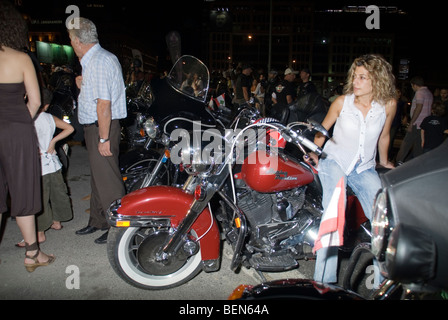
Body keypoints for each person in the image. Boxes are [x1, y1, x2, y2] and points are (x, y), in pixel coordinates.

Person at [309, 54, 396, 285]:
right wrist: (314, 152)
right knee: (333, 211)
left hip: (365, 167)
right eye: (355, 76)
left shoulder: (388, 105)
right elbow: (322, 131)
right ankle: (323, 281)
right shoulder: (342, 102)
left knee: (384, 216)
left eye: (362, 77)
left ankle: (382, 281)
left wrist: (385, 161)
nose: (355, 82)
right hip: (335, 160)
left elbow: (384, 136)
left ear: (376, 80)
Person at [0, 0, 55, 272]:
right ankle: (33, 254)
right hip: (16, 132)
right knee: (22, 190)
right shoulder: (21, 58)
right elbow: (35, 102)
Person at [68, 17, 126, 244]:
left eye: (71, 39)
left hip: (102, 127)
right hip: (96, 127)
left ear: (77, 40)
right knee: (98, 177)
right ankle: (98, 221)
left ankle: (119, 229)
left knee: (109, 180)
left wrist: (104, 138)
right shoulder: (93, 60)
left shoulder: (100, 61)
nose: (71, 43)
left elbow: (104, 104)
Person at [15, 88, 74, 247]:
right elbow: (70, 128)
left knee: (40, 198)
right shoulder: (49, 117)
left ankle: (40, 233)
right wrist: (53, 141)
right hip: (53, 164)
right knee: (57, 193)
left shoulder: (26, 119)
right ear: (47, 105)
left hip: (37, 167)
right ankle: (57, 221)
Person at [395, 76, 433, 164]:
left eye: (412, 86)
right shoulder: (428, 93)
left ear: (414, 85)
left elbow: (419, 107)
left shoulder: (419, 93)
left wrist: (411, 123)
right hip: (424, 124)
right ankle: (416, 163)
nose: (412, 88)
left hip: (417, 123)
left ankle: (399, 161)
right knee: (418, 145)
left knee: (406, 143)